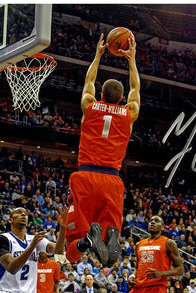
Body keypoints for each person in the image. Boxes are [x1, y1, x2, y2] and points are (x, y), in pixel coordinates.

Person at [64, 33, 140, 267]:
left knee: (70, 249)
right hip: (112, 179)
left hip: (86, 175)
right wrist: (131, 60)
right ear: (121, 99)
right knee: (110, 224)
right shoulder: (130, 113)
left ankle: (87, 239)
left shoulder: (90, 105)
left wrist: (97, 55)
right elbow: (136, 88)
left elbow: (88, 83)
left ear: (102, 94)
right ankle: (110, 234)